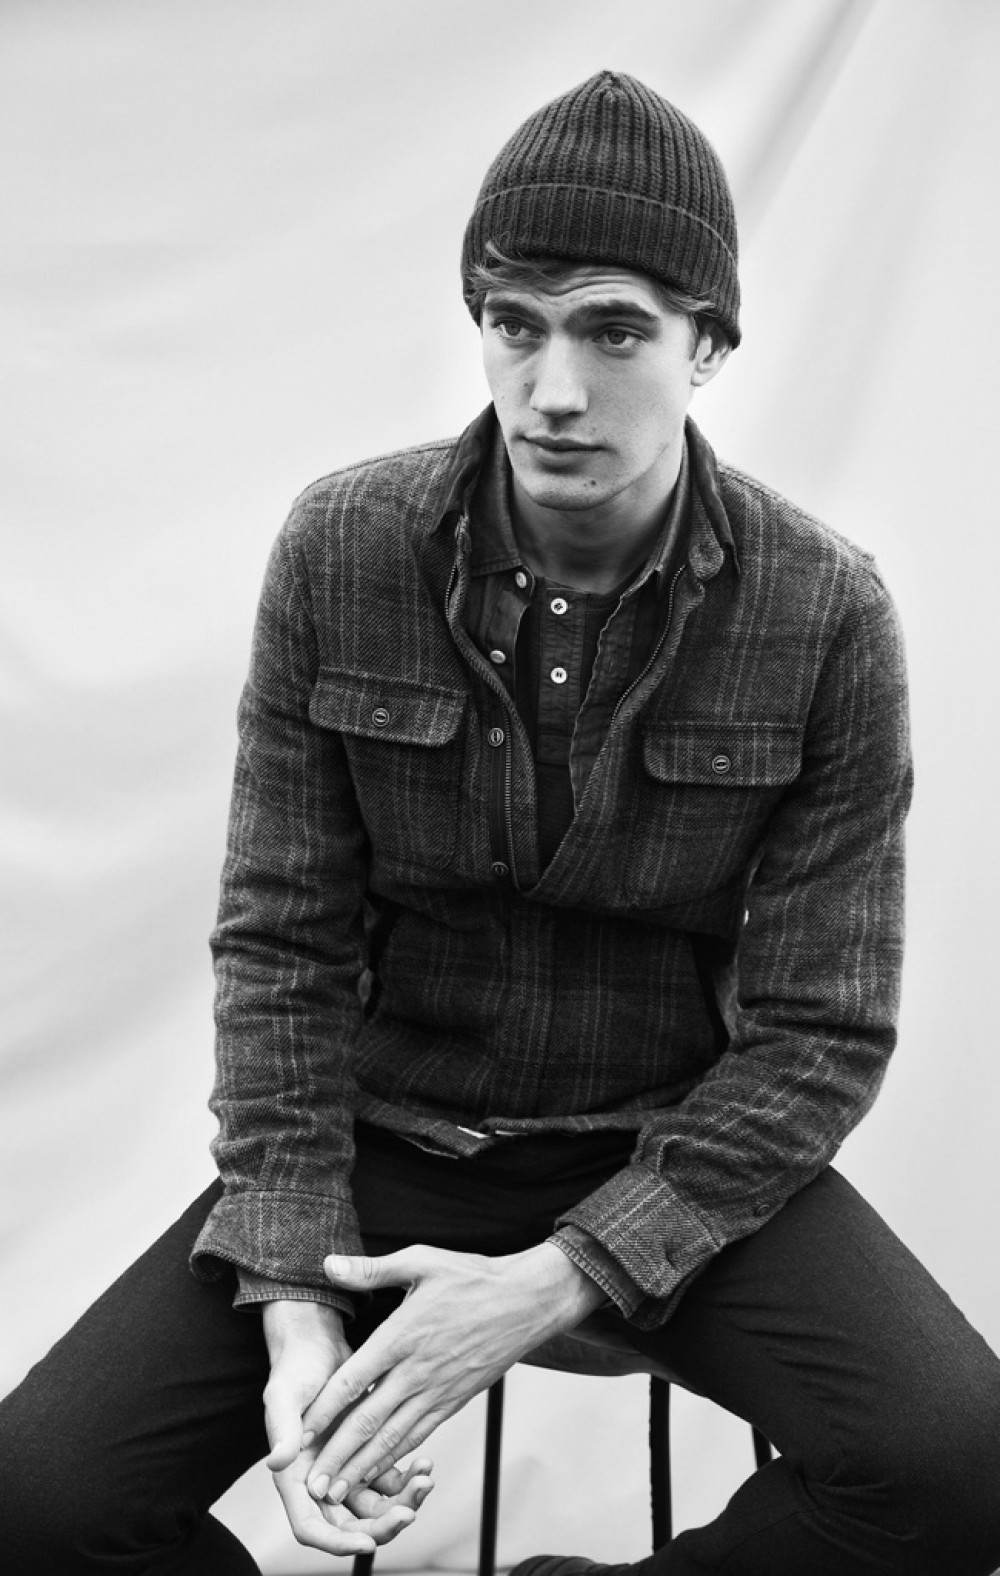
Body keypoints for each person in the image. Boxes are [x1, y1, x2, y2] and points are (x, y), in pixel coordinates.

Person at [2, 68, 999, 1576]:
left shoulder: (825, 610)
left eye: (614, 330)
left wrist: (562, 1276)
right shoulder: (344, 548)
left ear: (709, 343)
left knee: (959, 1471)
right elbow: (281, 946)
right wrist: (292, 1295)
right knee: (37, 1505)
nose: (553, 389)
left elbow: (821, 1032)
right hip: (385, 1140)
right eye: (514, 323)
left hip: (666, 1152)